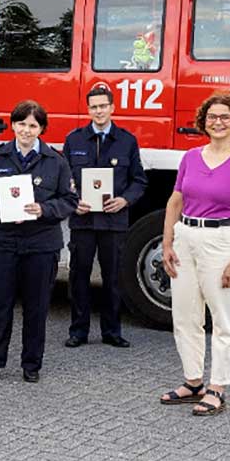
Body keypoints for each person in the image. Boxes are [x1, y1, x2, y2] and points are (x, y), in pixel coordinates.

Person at [160, 93, 230, 416]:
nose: (217, 122)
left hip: (222, 241)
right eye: (212, 117)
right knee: (185, 315)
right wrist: (167, 243)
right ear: (203, 121)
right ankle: (193, 383)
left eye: (225, 117)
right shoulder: (190, 157)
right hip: (186, 237)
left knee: (224, 318)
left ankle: (217, 387)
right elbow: (175, 203)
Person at [0, 101, 77, 383]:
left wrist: (44, 210)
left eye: (33, 125)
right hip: (3, 242)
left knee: (37, 307)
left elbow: (69, 201)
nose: (26, 130)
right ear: (13, 125)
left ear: (41, 129)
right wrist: (3, 211)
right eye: (21, 124)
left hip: (41, 245)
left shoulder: (56, 161)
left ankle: (31, 364)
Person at [62, 85, 147, 349]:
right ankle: (78, 331)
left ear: (112, 108)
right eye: (93, 107)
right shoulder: (74, 140)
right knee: (79, 276)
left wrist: (125, 200)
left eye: (103, 106)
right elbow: (63, 181)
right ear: (88, 110)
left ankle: (112, 331)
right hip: (83, 221)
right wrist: (73, 203)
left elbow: (139, 180)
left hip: (114, 222)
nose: (98, 111)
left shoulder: (127, 141)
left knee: (113, 278)